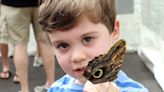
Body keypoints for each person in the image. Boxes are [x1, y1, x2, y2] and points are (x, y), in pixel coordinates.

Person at [38, 0, 149, 92]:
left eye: (87, 39)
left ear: (114, 32)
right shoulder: (56, 89)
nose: (77, 57)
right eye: (63, 45)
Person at [0, 0, 55, 92]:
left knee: (19, 44)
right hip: (41, 4)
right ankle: (51, 85)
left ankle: (25, 90)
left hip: (14, 4)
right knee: (45, 42)